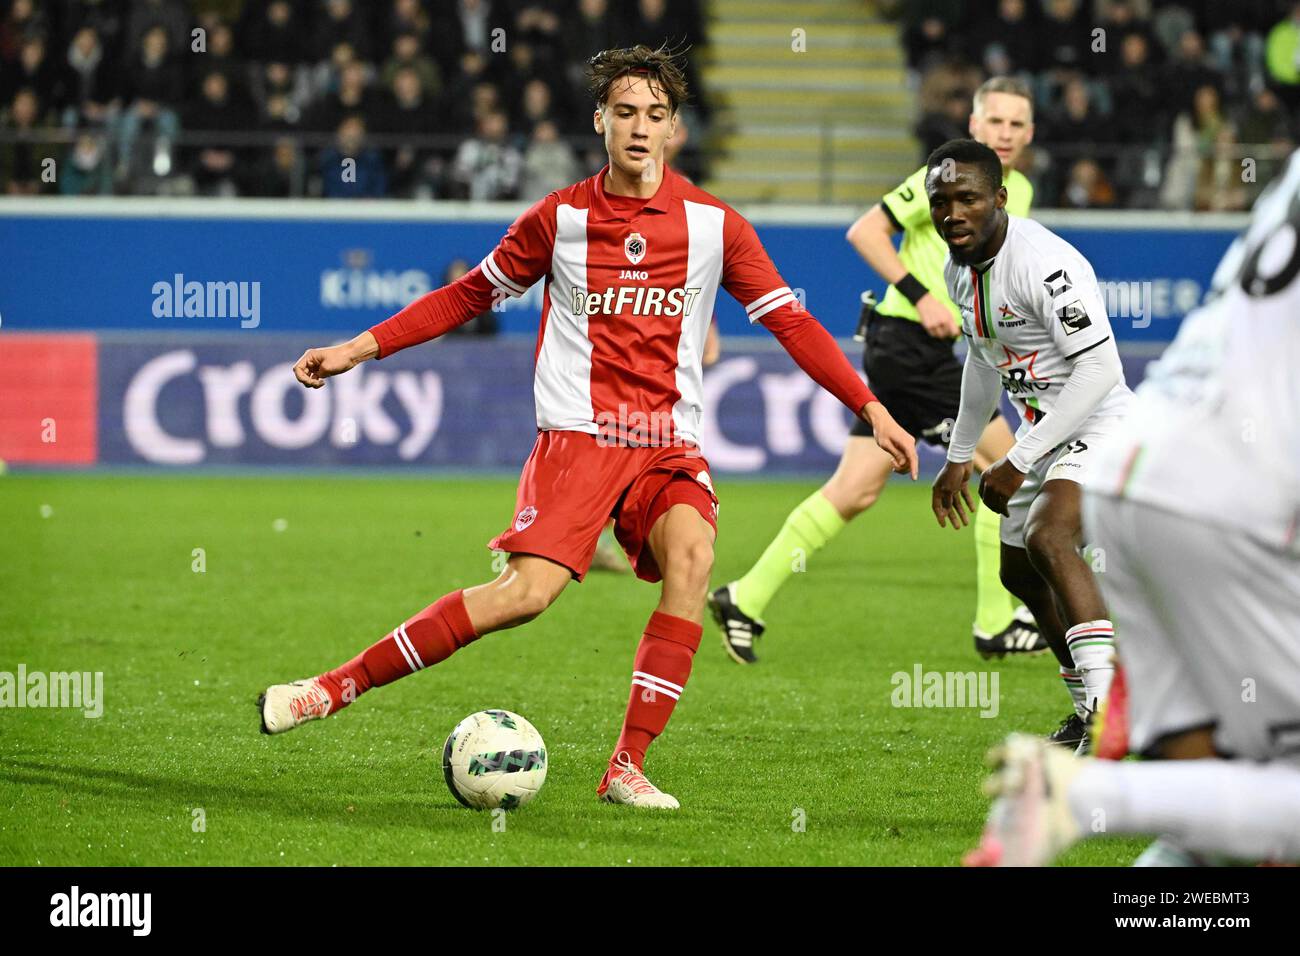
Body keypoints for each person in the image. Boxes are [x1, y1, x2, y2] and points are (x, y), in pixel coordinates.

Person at [259, 45, 917, 810]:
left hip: (666, 442)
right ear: (600, 120)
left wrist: (867, 405)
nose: (641, 128)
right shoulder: (560, 219)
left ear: (675, 129)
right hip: (578, 436)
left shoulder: (715, 227)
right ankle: (330, 689)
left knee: (694, 556)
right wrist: (355, 349)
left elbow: (792, 322)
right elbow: (466, 296)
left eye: (657, 115)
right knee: (524, 597)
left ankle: (626, 766)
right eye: (626, 112)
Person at [967, 150, 1300, 866]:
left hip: (1145, 471)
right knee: (1275, 789)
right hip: (1233, 499)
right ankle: (1083, 792)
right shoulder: (977, 270)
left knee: (1206, 806)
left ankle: (1090, 763)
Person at [709, 77, 1043, 666]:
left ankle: (744, 597)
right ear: (974, 124)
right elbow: (865, 229)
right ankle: (995, 623)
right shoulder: (947, 175)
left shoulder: (1019, 190)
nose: (1006, 134)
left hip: (919, 352)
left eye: (1017, 124)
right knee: (1004, 463)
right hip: (907, 342)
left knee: (856, 489)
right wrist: (922, 296)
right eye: (996, 122)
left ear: (1031, 132)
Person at [928, 138, 1131, 750]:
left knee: (1050, 535)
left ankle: (1109, 712)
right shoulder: (957, 270)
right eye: (941, 202)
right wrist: (960, 457)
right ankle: (1085, 707)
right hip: (1047, 435)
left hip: (1101, 422)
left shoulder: (1044, 263)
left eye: (967, 199)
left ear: (1000, 198)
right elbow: (984, 365)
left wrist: (1015, 458)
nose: (953, 214)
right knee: (1019, 570)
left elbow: (1100, 370)